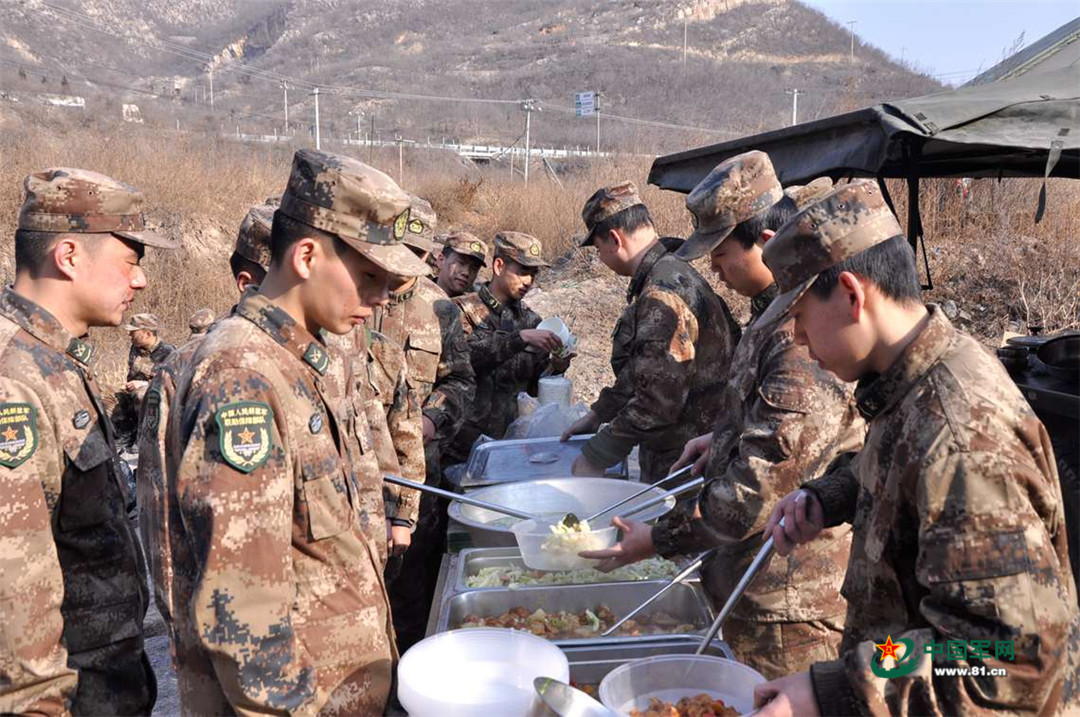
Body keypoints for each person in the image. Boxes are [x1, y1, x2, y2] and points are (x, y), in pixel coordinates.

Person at [751, 179, 1078, 716]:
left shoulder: (961, 439)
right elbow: (898, 461)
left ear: (852, 295)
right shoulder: (913, 377)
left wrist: (838, 689)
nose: (800, 342)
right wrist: (829, 496)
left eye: (801, 318)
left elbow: (1006, 662)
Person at [166, 149, 429, 715]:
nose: (382, 297)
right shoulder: (242, 376)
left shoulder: (296, 360)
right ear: (307, 255)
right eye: (369, 276)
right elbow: (244, 616)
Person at [581, 154, 863, 679]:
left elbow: (760, 486)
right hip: (746, 572)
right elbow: (776, 424)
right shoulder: (772, 310)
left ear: (768, 241)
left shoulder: (800, 334)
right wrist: (721, 436)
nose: (713, 268)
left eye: (723, 253)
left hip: (787, 597)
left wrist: (656, 538)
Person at [0, 167, 178, 714]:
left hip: (102, 682)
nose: (139, 281)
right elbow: (12, 597)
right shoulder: (13, 379)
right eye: (130, 261)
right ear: (70, 255)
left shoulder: (51, 360)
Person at [135, 202, 275, 656]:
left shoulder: (322, 361)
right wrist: (183, 631)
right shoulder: (184, 369)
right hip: (229, 635)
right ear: (248, 284)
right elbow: (160, 514)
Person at [561, 181, 740, 483]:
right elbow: (646, 367)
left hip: (684, 460)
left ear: (615, 239)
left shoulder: (661, 293)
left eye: (599, 248)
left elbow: (658, 399)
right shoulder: (672, 269)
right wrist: (600, 413)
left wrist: (598, 453)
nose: (601, 258)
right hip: (690, 447)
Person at [374, 196, 477, 652]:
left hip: (419, 479)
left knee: (414, 590)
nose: (403, 263)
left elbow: (460, 381)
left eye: (415, 253)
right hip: (360, 481)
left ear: (429, 255)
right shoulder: (354, 296)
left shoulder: (440, 309)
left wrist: (433, 418)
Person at [448, 231, 570, 464]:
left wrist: (556, 367)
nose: (529, 281)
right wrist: (519, 339)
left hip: (512, 446)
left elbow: (534, 389)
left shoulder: (532, 321)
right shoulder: (460, 310)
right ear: (498, 266)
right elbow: (461, 361)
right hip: (460, 447)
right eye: (522, 272)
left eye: (533, 274)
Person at [436, 230, 487, 297]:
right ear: (441, 260)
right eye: (461, 263)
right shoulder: (421, 289)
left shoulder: (472, 303)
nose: (466, 273)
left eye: (474, 268)